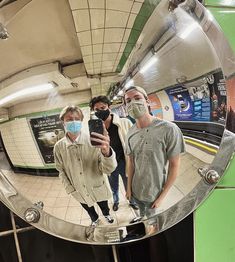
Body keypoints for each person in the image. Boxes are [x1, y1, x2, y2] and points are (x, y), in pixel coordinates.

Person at [123, 86, 185, 222]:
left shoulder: (169, 129)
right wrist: (128, 188)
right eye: (128, 101)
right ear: (125, 107)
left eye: (137, 98)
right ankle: (141, 217)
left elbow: (174, 166)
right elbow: (131, 163)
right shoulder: (130, 133)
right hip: (136, 189)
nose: (133, 102)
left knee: (152, 220)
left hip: (154, 192)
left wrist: (162, 197)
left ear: (147, 101)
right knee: (142, 212)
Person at [53, 105, 117, 226]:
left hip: (97, 186)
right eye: (69, 119)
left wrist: (106, 152)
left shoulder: (93, 141)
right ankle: (95, 219)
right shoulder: (58, 147)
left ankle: (106, 214)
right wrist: (70, 189)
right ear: (63, 122)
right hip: (78, 189)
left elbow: (108, 169)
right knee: (88, 207)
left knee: (103, 204)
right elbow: (60, 170)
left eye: (77, 118)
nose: (73, 121)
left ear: (82, 121)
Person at [89, 96, 138, 212]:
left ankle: (132, 201)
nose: (100, 111)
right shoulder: (96, 128)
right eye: (97, 109)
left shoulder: (124, 122)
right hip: (110, 162)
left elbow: (135, 142)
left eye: (103, 107)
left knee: (128, 183)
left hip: (125, 161)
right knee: (114, 186)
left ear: (109, 107)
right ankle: (116, 201)